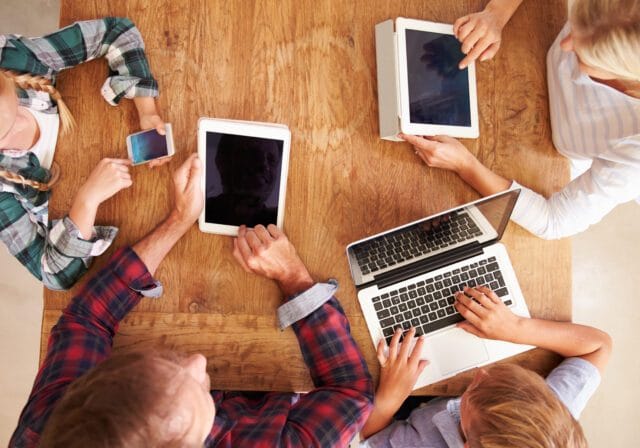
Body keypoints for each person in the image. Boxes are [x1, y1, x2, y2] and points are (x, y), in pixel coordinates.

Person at [10, 154, 373, 447]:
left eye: (162, 365)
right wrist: (295, 278)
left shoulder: (54, 428)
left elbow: (86, 320)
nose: (199, 362)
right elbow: (351, 392)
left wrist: (178, 220)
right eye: (198, 391)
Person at [402, 0, 640, 239]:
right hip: (534, 51)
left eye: (585, 51)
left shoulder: (634, 159)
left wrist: (465, 165)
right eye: (576, 25)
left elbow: (554, 222)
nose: (566, 43)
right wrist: (497, 14)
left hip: (557, 151)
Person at [0, 17, 169, 290]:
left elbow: (117, 32)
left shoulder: (10, 58)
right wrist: (87, 200)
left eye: (12, 105)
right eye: (4, 134)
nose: (19, 124)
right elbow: (53, 274)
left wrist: (146, 110)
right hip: (100, 219)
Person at [359, 285, 612, 447]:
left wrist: (388, 398)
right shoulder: (549, 415)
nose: (480, 373)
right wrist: (515, 328)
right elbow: (598, 347)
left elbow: (366, 441)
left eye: (473, 392)